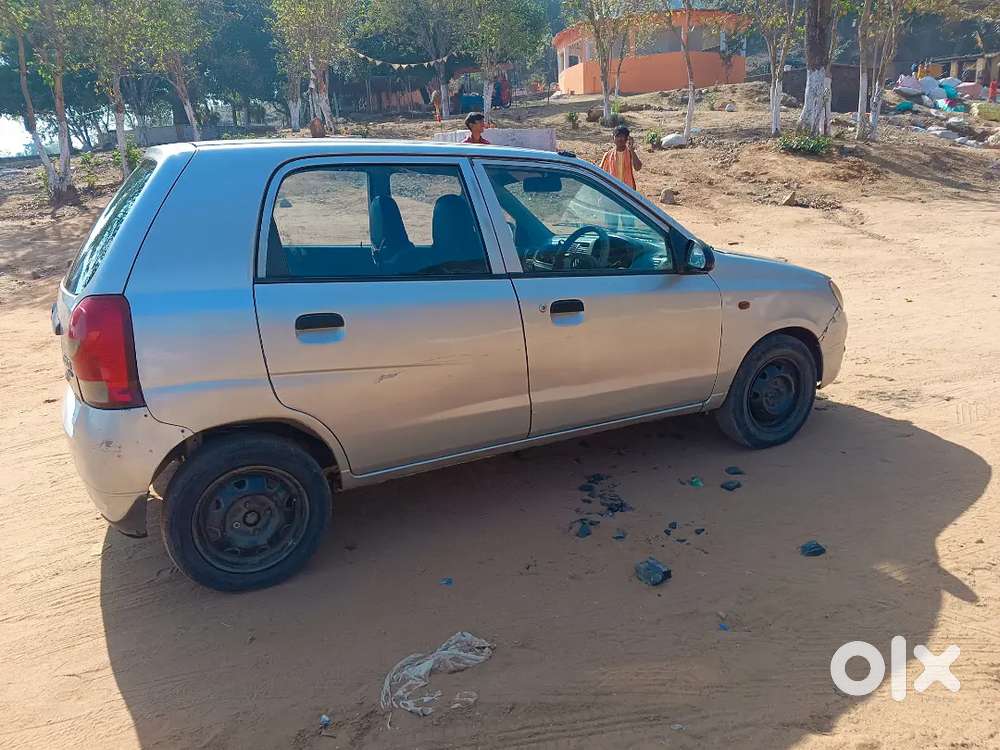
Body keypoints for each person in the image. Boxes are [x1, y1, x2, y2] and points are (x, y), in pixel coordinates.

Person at [599, 125, 642, 190]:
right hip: (613, 189)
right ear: (613, 138)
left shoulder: (630, 153)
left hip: (627, 190)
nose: (619, 139)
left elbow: (638, 167)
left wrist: (632, 149)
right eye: (617, 136)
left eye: (622, 136)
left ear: (627, 138)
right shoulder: (608, 155)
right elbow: (601, 173)